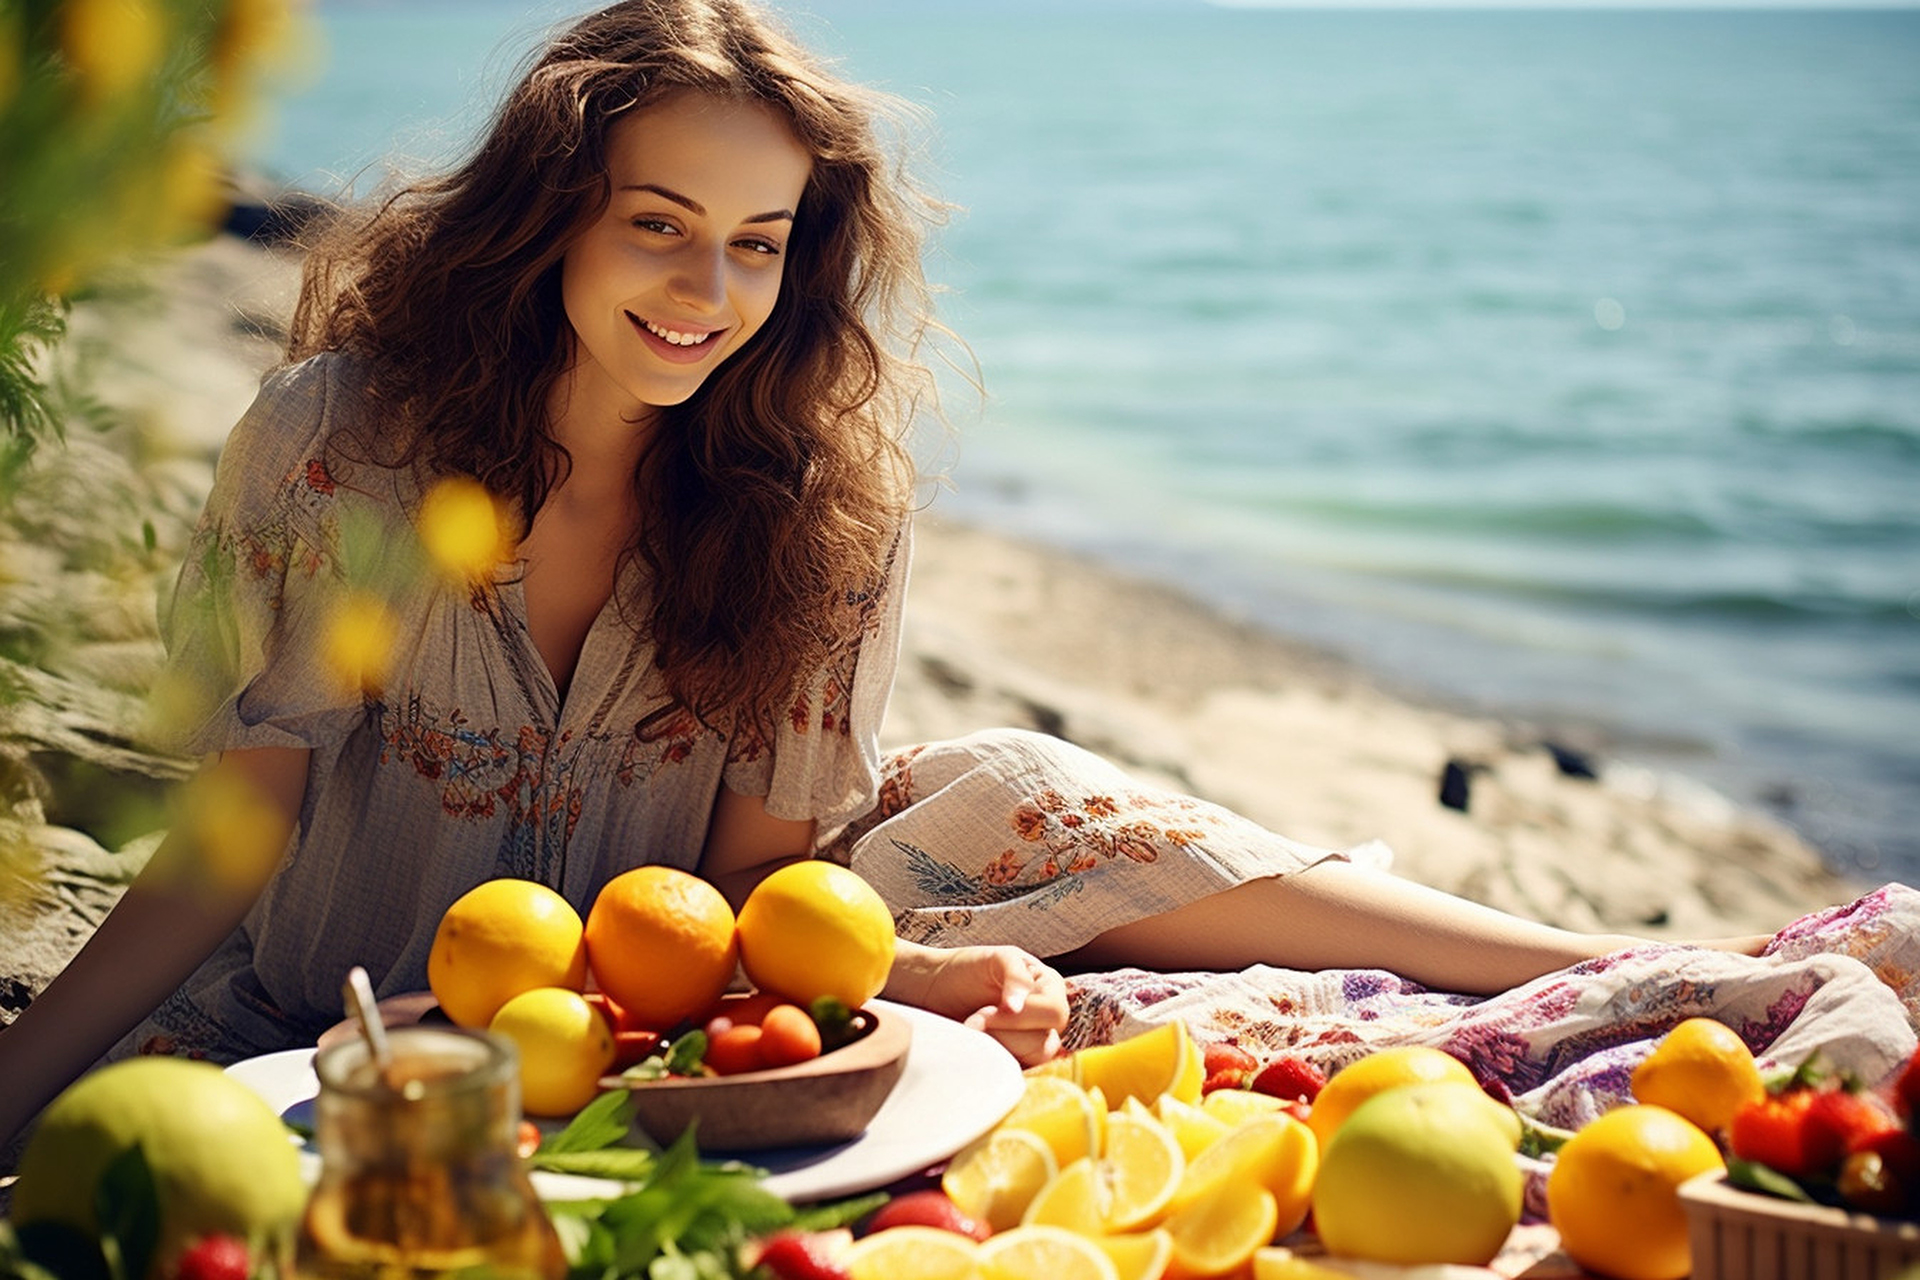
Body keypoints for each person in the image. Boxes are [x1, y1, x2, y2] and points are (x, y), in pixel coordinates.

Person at [0, 0, 1768, 1151]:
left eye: (758, 245)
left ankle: (1638, 957)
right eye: (660, 224)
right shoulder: (335, 444)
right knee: (1009, 848)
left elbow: (749, 892)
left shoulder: (815, 503)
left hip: (670, 998)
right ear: (549, 216)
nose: (707, 290)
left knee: (1043, 801)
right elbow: (235, 832)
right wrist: (16, 1087)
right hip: (359, 1031)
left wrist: (866, 979)